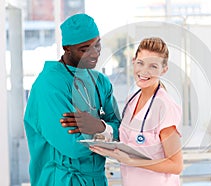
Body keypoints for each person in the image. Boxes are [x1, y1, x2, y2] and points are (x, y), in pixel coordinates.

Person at [24, 13, 120, 186]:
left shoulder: (101, 82)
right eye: (84, 49)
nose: (94, 54)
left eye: (97, 45)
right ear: (66, 48)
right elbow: (73, 146)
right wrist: (107, 133)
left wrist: (99, 127)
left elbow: (121, 133)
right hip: (62, 180)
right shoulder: (49, 85)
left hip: (97, 180)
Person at [90, 37, 183, 186]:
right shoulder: (132, 99)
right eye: (140, 63)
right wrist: (107, 145)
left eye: (153, 66)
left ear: (164, 69)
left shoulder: (165, 107)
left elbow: (176, 165)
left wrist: (132, 161)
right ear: (134, 61)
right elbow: (128, 143)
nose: (144, 71)